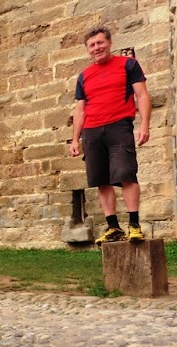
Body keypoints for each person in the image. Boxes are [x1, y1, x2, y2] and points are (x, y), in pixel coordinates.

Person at [68, 26, 151, 245]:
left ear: (109, 43)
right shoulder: (83, 76)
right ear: (88, 50)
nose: (97, 48)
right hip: (92, 132)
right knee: (100, 180)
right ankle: (113, 227)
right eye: (92, 45)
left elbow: (141, 96)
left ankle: (134, 225)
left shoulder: (128, 65)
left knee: (126, 174)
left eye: (100, 43)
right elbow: (80, 110)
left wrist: (145, 125)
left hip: (119, 126)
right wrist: (76, 139)